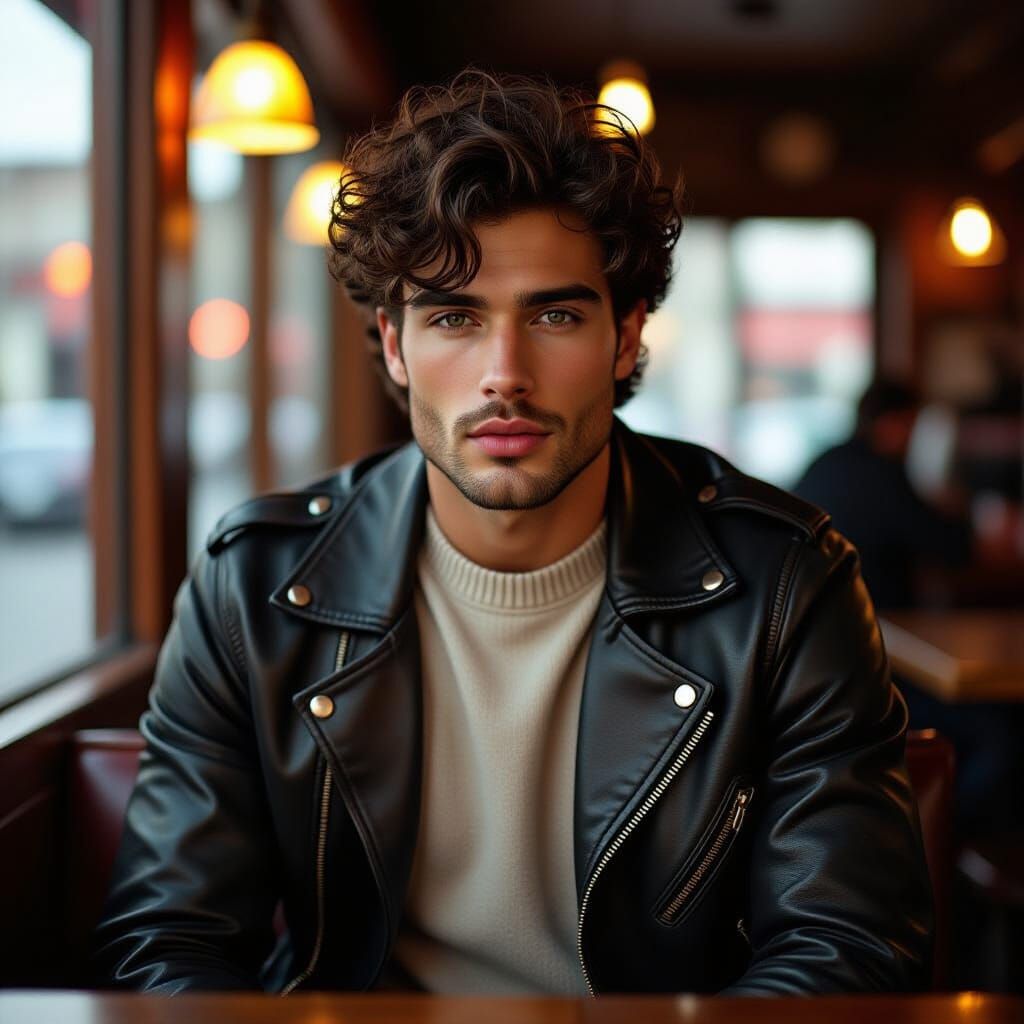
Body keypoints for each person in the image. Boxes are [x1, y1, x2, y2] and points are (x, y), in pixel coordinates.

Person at [94, 70, 932, 996]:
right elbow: (170, 943)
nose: (505, 373)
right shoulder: (255, 586)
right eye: (455, 316)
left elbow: (845, 952)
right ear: (394, 345)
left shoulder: (785, 583)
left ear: (624, 338)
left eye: (556, 314)